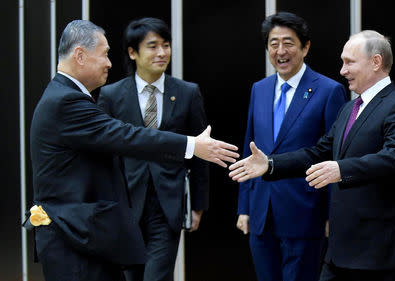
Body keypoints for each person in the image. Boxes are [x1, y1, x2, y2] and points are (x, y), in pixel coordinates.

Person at [28, 20, 238, 281]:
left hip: (86, 234)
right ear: (80, 55)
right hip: (74, 238)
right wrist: (192, 145)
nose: (109, 63)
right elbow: (126, 136)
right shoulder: (67, 102)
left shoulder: (64, 95)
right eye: (104, 54)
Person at [230, 30, 395, 281]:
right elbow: (317, 152)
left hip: (376, 252)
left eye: (349, 62)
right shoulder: (350, 108)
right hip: (339, 252)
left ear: (376, 62)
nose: (342, 70)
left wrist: (342, 169)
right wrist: (271, 164)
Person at [235, 11, 346, 281]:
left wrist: (333, 214)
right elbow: (251, 149)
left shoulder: (329, 90)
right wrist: (245, 207)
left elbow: (335, 155)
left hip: (305, 213)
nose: (280, 51)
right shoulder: (259, 89)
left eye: (288, 43)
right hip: (261, 212)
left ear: (305, 47)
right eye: (273, 43)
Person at [97, 17, 209, 281]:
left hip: (167, 203)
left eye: (166, 45)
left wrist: (199, 205)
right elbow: (102, 155)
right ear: (132, 52)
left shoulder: (187, 93)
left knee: (157, 276)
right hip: (124, 204)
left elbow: (201, 152)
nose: (162, 53)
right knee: (132, 275)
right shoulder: (111, 96)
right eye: (153, 46)